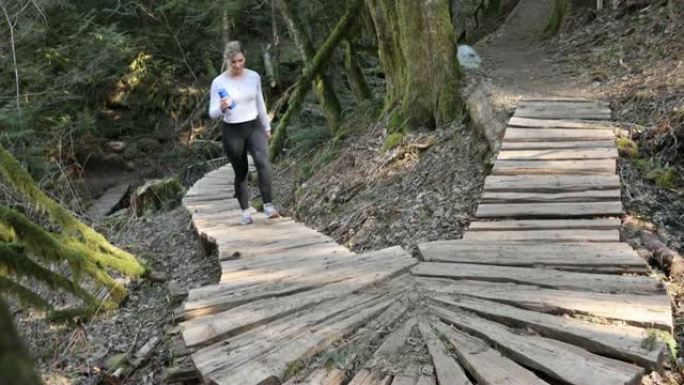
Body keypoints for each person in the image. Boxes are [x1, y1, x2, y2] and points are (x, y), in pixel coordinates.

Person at [209, 41, 279, 225]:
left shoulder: (254, 77)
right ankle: (245, 211)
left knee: (263, 163)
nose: (238, 65)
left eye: (241, 61)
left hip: (254, 126)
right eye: (234, 62)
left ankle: (268, 205)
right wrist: (221, 108)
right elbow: (212, 112)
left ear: (244, 58)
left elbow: (260, 103)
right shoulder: (219, 82)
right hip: (232, 130)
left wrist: (267, 126)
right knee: (241, 172)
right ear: (227, 61)